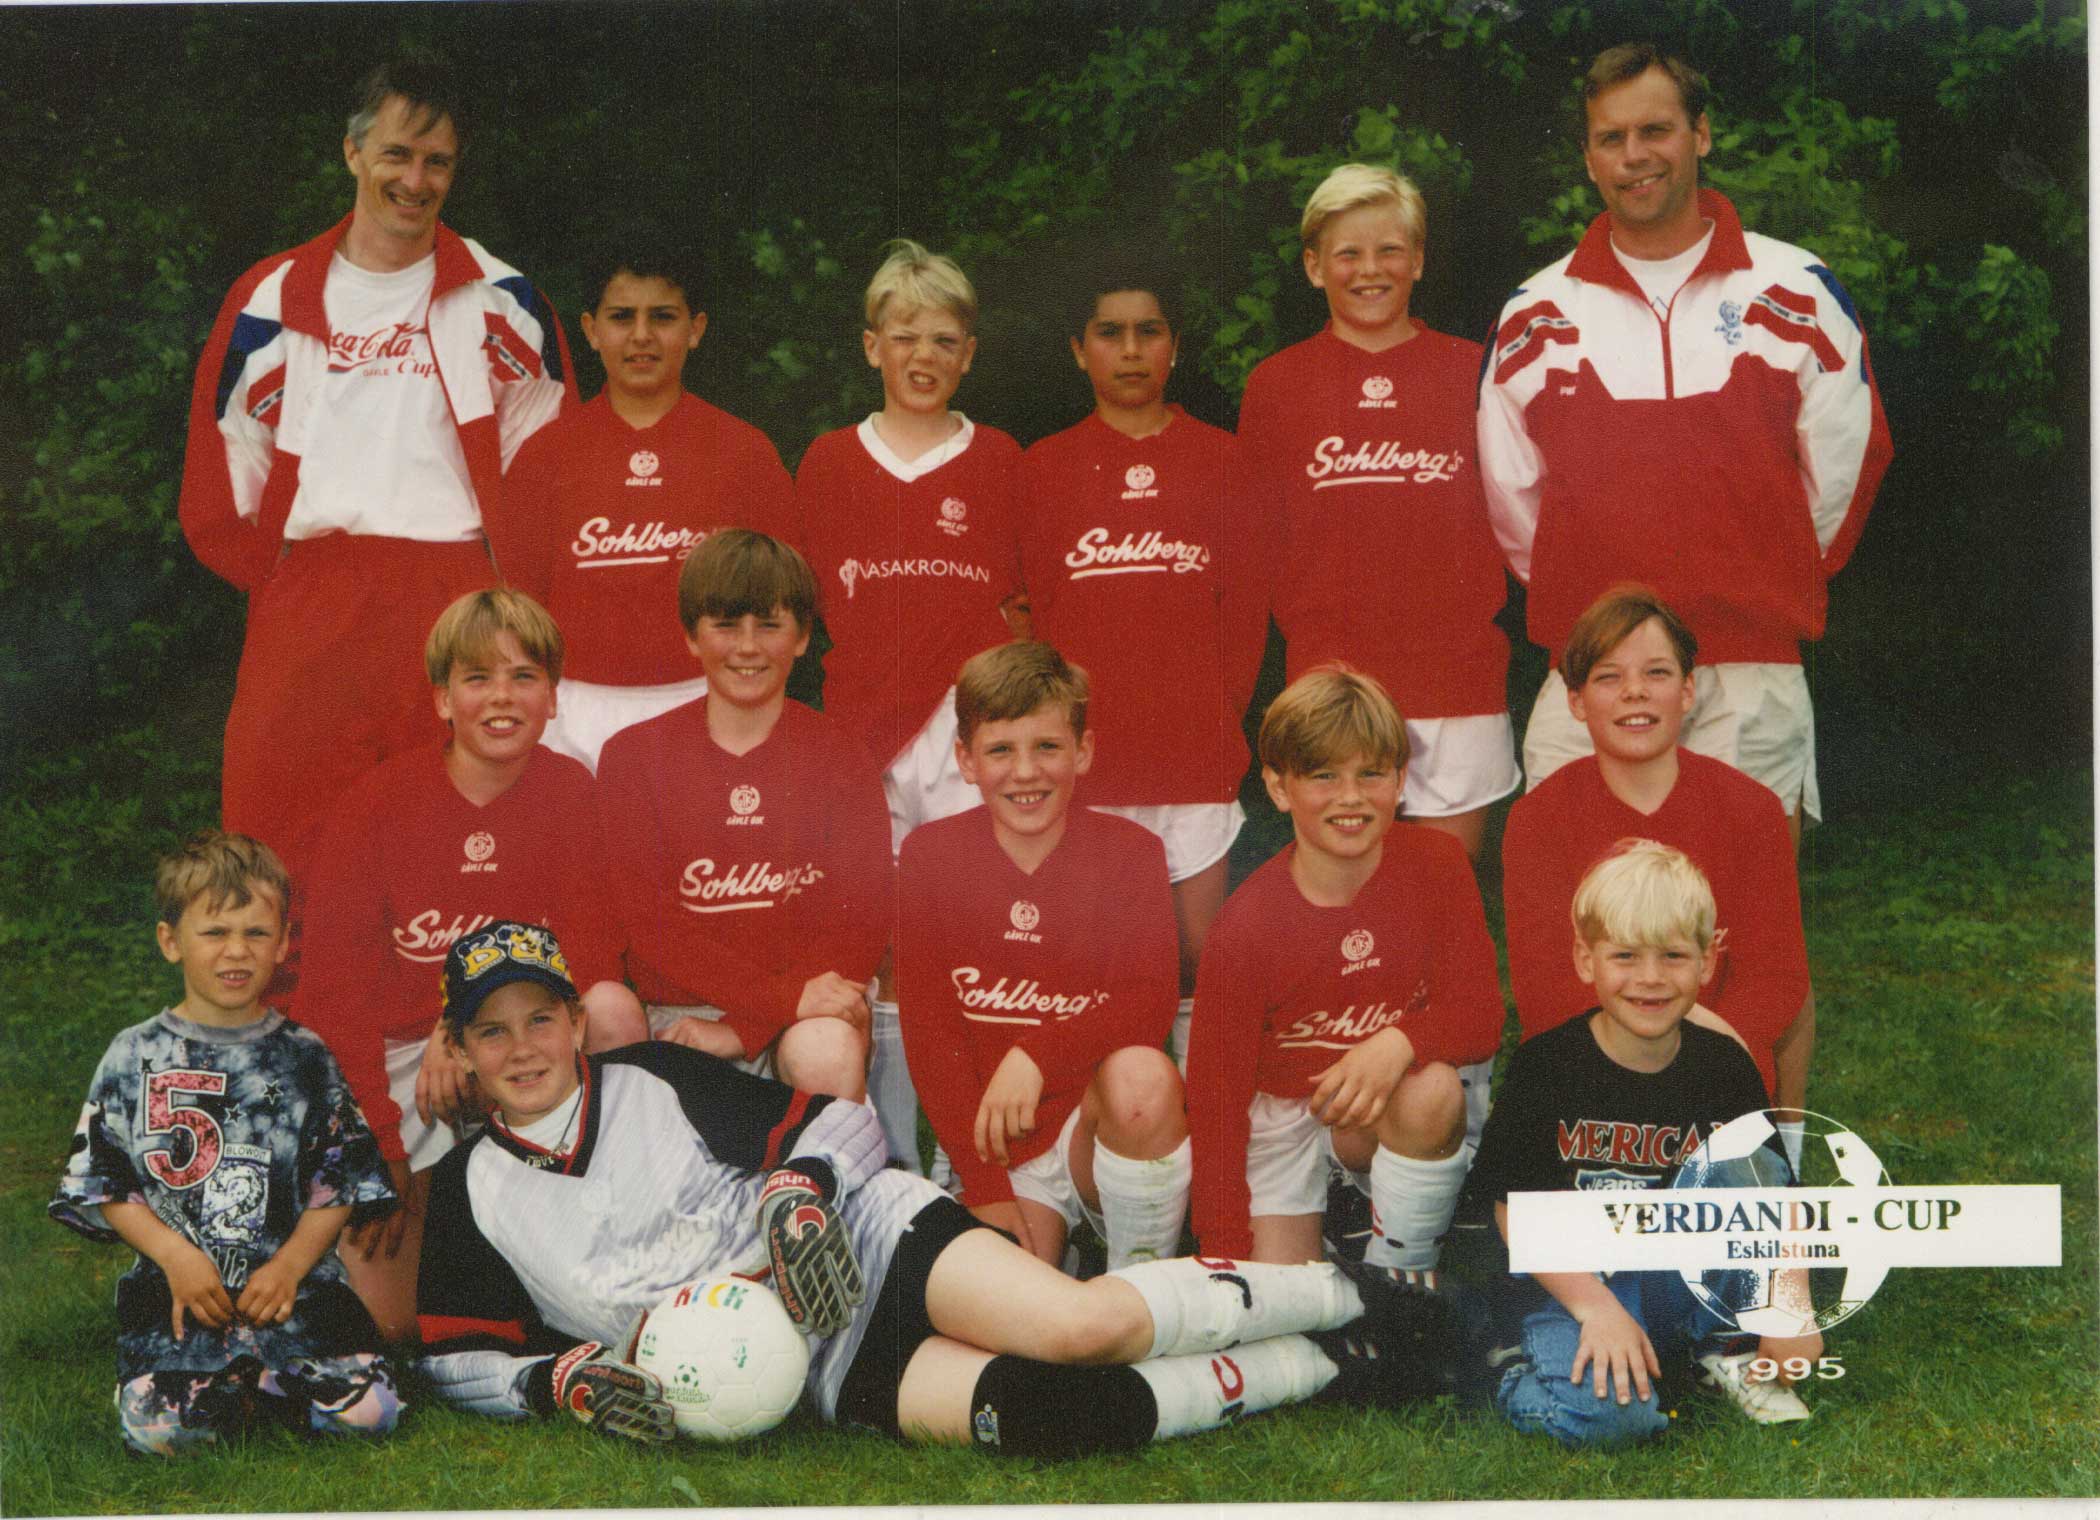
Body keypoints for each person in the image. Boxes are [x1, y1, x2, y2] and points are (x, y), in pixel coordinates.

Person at [416, 921, 1463, 1453]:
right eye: (491, 1030)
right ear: (458, 1048)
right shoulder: (469, 1191)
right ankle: (1331, 1365)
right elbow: (456, 1357)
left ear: (574, 1019)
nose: (523, 1046)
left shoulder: (651, 1075)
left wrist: (797, 1190)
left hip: (862, 1246)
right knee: (1059, 1416)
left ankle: (1359, 1296)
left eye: (541, 1017)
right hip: (803, 1365)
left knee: (1082, 1327)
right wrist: (551, 1383)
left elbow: (841, 1121)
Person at [1477, 43, 1893, 843]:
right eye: (1611, 138)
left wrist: (1757, 567)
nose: (1634, 155)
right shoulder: (1536, 311)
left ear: (1700, 134)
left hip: (1748, 668)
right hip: (1591, 674)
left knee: (1747, 902)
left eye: (1655, 130)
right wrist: (1604, 619)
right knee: (1588, 907)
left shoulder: (1794, 288)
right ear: (1589, 158)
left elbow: (1847, 462)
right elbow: (1512, 498)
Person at [179, 53, 576, 882]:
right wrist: (279, 580)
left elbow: (551, 471)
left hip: (455, 595)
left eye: (437, 162)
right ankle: (295, 976)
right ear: (353, 152)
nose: (415, 180)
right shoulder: (271, 298)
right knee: (282, 830)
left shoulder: (502, 299)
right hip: (314, 592)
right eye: (397, 154)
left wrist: (505, 593)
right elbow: (223, 468)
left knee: (456, 836)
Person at [295, 588, 642, 1341]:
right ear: (443, 699)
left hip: (517, 1045)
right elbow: (332, 997)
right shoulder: (377, 803)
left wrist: (460, 1028)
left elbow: (588, 960)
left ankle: (610, 1230)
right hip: (400, 1068)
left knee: (613, 1010)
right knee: (391, 1326)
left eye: (524, 676)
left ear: (553, 697)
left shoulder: (572, 793)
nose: (502, 697)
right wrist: (378, 1143)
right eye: (478, 678)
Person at [50, 832, 401, 1455]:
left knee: (373, 1415)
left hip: (296, 1296)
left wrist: (290, 1266)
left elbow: (341, 1182)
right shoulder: (133, 1054)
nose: (236, 951)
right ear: (171, 941)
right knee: (162, 1432)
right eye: (214, 932)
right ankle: (220, 1387)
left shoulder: (306, 1056)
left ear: (283, 943)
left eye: (256, 933)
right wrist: (175, 1256)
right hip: (183, 1299)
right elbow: (105, 1184)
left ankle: (261, 1385)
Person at [793, 238, 1027, 1170]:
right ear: (871, 347)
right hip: (864, 735)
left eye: (942, 339)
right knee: (879, 945)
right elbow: (808, 606)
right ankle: (886, 1161)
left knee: (972, 936)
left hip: (966, 731)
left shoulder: (1000, 460)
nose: (922, 356)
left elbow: (1023, 603)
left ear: (968, 354)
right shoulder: (828, 462)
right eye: (904, 336)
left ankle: (971, 1154)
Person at [1468, 839, 1820, 1445]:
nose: (1650, 978)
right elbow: (1512, 1212)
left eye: (1673, 955)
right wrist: (1596, 1308)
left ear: (1707, 962)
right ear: (1587, 960)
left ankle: (1723, 1344)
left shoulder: (1724, 1066)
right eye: (1625, 955)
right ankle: (1513, 1365)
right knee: (1613, 1420)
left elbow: (1774, 1195)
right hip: (1572, 1283)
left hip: (1676, 1272)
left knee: (1743, 1169)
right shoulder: (1547, 1066)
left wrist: (1791, 1305)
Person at [1017, 264, 1270, 1066]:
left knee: (1198, 960)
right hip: (1092, 765)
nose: (1130, 350)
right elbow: (1032, 618)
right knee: (1098, 966)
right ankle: (1113, 1121)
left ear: (1174, 345)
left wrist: (1212, 718)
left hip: (1192, 757)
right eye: (1110, 333)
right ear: (1078, 349)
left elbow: (1245, 620)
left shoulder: (1224, 461)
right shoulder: (1042, 469)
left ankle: (1205, 1119)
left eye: (1148, 332)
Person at [1238, 164, 1518, 863]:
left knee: (1445, 895)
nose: (1370, 269)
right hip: (1330, 689)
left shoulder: (1473, 372)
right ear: (1314, 266)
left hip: (1456, 684)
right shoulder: (1276, 386)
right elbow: (1258, 552)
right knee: (1347, 901)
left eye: (1389, 249)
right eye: (1348, 253)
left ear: (1418, 259)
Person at [1188, 667, 1503, 1269]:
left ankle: (1400, 1274)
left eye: (1371, 774)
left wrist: (1398, 1042)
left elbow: (1481, 1015)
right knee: (1288, 1302)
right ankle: (1340, 1214)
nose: (1351, 796)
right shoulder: (1246, 924)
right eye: (1323, 776)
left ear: (1401, 780)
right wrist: (1223, 1244)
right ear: (1279, 787)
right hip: (1284, 1116)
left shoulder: (1437, 864)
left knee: (1434, 1090)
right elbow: (1216, 1097)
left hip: (1384, 1106)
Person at [898, 642, 1187, 1270]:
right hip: (1000, 1148)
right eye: (1001, 750)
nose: (1025, 772)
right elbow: (932, 1037)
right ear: (966, 760)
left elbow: (1150, 1000)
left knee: (1144, 1078)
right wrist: (985, 1186)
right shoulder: (930, 858)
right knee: (1019, 1303)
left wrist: (1036, 1052)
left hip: (1095, 1130)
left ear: (1083, 751)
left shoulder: (1130, 853)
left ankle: (1142, 1279)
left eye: (1048, 747)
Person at [594, 529, 886, 1101]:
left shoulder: (842, 755)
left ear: (803, 637)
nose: (748, 647)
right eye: (726, 625)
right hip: (679, 1016)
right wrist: (767, 1005)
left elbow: (859, 921)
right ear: (691, 635)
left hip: (804, 1016)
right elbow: (647, 922)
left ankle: (825, 1162)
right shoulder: (634, 756)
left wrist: (749, 1026)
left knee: (826, 1047)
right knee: (607, 1011)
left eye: (770, 625)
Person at [1500, 586, 1812, 1124]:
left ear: (1688, 690)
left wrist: (1699, 1058)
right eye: (1608, 677)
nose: (1635, 692)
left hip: (1718, 1066)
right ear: (1576, 701)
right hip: (1592, 1072)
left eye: (1657, 673)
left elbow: (1776, 976)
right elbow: (1544, 989)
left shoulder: (1752, 809)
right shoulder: (1539, 819)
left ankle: (1784, 1155)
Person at [487, 241, 797, 770]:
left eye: (663, 317)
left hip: (706, 698)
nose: (641, 336)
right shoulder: (546, 455)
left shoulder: (744, 452)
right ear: (591, 330)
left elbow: (780, 605)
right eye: (621, 317)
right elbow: (519, 605)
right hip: (574, 709)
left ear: (695, 328)